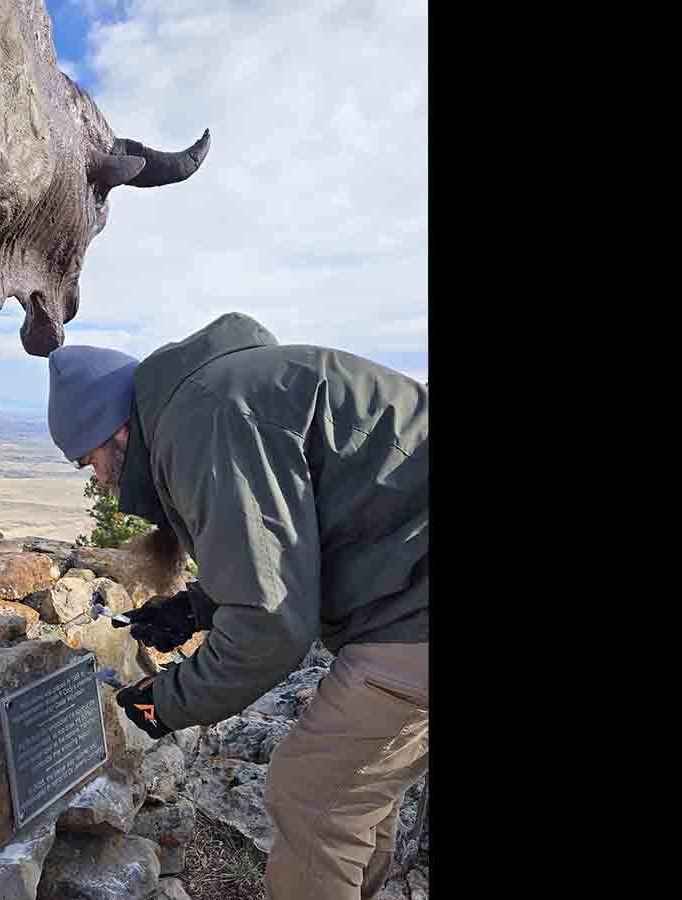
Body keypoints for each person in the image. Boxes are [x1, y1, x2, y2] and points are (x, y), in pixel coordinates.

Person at [45, 313, 428, 900]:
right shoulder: (223, 394)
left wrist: (162, 704)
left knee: (311, 794)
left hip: (413, 609)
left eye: (86, 461)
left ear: (115, 433)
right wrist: (196, 610)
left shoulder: (204, 422)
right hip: (408, 587)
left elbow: (271, 626)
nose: (96, 482)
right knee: (351, 793)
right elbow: (289, 552)